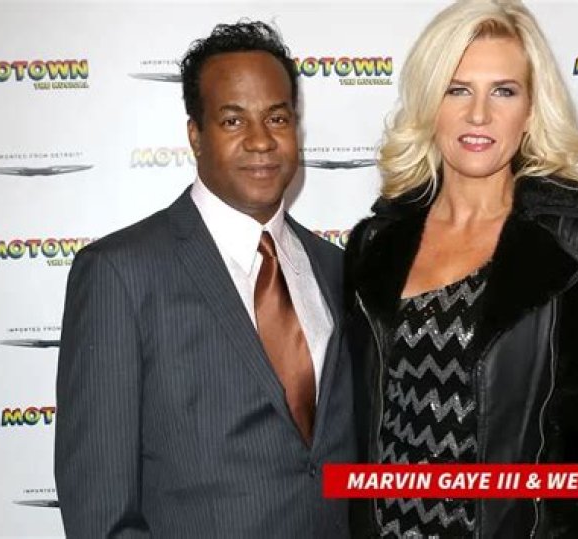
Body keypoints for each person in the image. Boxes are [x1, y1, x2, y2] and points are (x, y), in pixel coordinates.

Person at [345, 1, 578, 537]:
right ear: (429, 103)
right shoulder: (374, 243)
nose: (478, 114)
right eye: (457, 89)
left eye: (503, 91)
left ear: (530, 110)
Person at [55, 21, 355, 538]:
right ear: (195, 135)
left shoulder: (334, 267)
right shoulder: (119, 274)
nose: (261, 141)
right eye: (233, 120)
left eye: (277, 117)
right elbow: (102, 514)